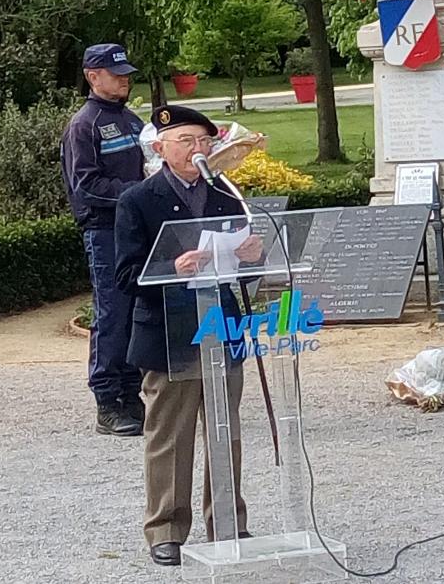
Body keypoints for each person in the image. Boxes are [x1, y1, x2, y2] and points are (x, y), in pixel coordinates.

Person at [114, 105, 262, 567]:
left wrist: (254, 255)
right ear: (160, 148)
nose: (197, 151)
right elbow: (123, 276)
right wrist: (169, 269)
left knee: (226, 429)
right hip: (167, 334)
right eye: (186, 142)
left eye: (203, 141)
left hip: (221, 324)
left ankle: (228, 523)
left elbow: (245, 261)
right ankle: (166, 529)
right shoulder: (139, 200)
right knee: (170, 436)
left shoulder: (225, 195)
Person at [61, 43, 145, 436]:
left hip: (135, 229)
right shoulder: (84, 124)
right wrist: (136, 193)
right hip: (105, 230)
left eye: (126, 72)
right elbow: (87, 185)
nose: (125, 78)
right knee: (112, 313)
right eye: (116, 73)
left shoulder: (131, 120)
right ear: (93, 76)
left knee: (137, 310)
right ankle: (107, 401)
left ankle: (132, 393)